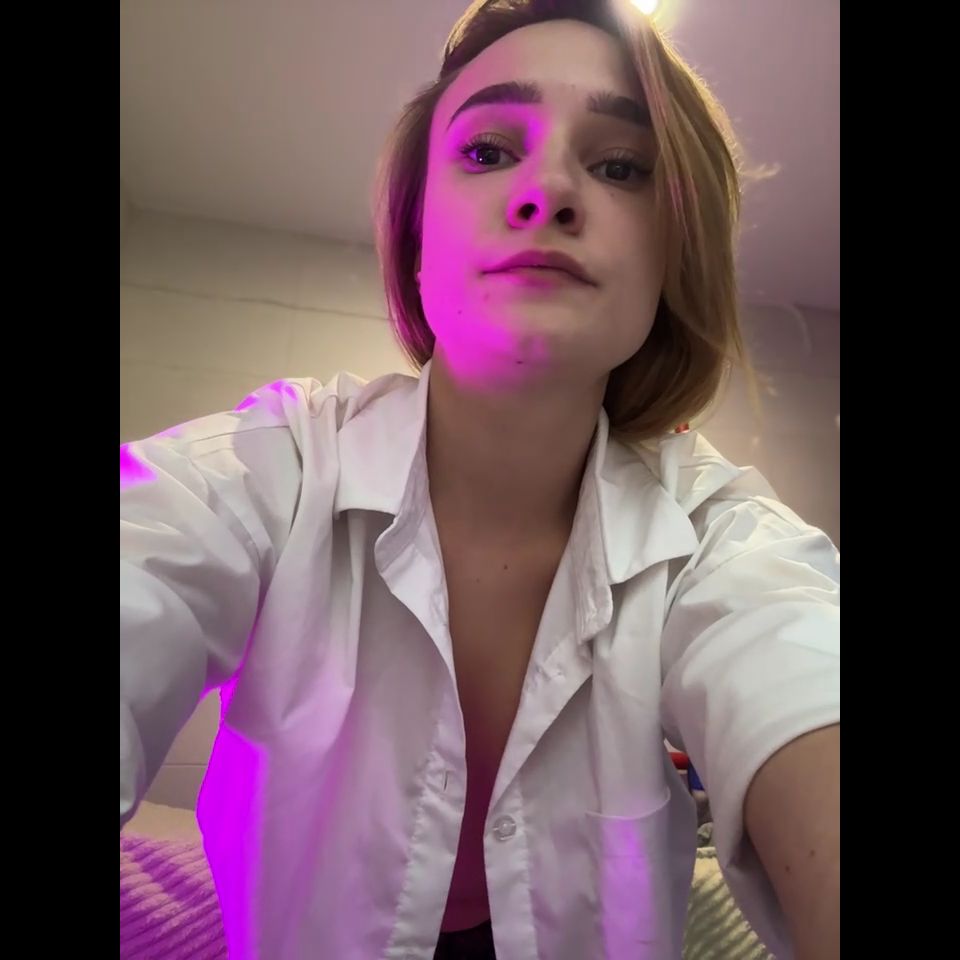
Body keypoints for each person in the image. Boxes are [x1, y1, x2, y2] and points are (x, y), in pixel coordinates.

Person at [119, 2, 840, 957]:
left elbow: (800, 664)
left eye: (621, 166)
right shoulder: (268, 469)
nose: (548, 192)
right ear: (417, 236)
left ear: (672, 256)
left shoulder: (718, 534)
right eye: (488, 151)